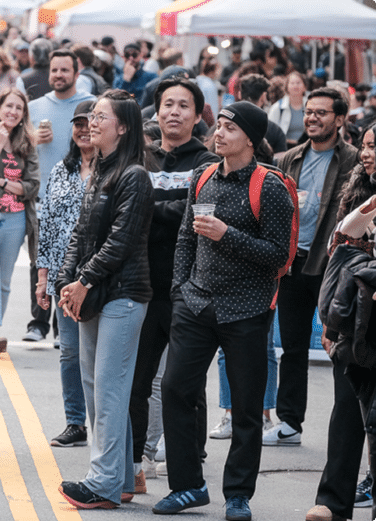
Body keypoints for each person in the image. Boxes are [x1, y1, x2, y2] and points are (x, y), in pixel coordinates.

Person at [154, 101, 294, 520]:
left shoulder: (268, 187)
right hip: (196, 304)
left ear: (249, 139)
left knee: (246, 407)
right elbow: (185, 240)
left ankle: (238, 494)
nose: (219, 133)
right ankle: (187, 487)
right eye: (219, 127)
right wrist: (181, 290)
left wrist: (227, 234)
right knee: (177, 390)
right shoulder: (204, 175)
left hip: (247, 311)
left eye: (230, 128)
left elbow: (278, 255)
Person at [55, 89, 154, 510]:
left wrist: (84, 281)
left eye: (100, 117)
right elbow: (80, 233)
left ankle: (102, 484)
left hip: (124, 295)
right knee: (97, 388)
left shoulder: (134, 175)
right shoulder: (98, 170)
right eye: (90, 116)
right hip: (95, 293)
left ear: (123, 126)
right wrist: (66, 279)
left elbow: (121, 242)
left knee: (109, 391)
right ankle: (122, 476)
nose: (91, 123)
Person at [129, 77, 220, 489]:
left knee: (185, 383)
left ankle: (189, 463)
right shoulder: (141, 159)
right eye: (168, 104)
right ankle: (133, 464)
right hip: (143, 285)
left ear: (198, 114)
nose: (174, 112)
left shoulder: (208, 163)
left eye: (184, 105)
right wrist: (163, 209)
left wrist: (150, 209)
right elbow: (127, 210)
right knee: (137, 378)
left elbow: (196, 217)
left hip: (188, 289)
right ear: (157, 110)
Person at [269, 87, 358, 446]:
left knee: (339, 344)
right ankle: (289, 422)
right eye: (308, 112)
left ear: (339, 120)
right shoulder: (287, 159)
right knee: (291, 347)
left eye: (321, 113)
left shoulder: (352, 160)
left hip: (331, 265)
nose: (312, 118)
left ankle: (347, 425)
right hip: (293, 263)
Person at [305, 123, 374, 521]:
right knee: (346, 408)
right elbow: (341, 242)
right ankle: (333, 502)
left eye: (374, 148)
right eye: (364, 147)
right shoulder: (359, 194)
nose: (366, 155)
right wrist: (330, 326)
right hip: (355, 315)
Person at [35, 99, 95, 449]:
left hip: (99, 276)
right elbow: (48, 227)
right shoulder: (61, 170)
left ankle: (102, 422)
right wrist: (43, 279)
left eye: (90, 122)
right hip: (63, 277)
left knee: (98, 356)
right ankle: (75, 423)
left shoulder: (113, 170)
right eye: (78, 123)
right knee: (69, 351)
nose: (84, 129)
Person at [25, 50, 95, 345]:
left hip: (83, 193)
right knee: (42, 259)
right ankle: (38, 323)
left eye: (64, 70)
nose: (58, 75)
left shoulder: (87, 106)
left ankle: (59, 326)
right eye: (54, 70)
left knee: (71, 258)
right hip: (42, 194)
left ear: (76, 74)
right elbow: (17, 148)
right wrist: (32, 140)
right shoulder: (34, 106)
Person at [0, 88, 38, 357]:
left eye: (19, 108)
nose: (13, 112)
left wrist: (6, 183)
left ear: (24, 115)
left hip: (15, 219)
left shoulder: (27, 144)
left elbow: (33, 186)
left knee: (4, 280)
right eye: (9, 106)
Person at [238, 74, 289, 158]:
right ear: (263, 97)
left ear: (240, 94)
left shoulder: (224, 126)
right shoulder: (274, 130)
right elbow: (281, 159)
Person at [268, 71, 308, 148]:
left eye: (298, 83)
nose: (295, 86)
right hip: (285, 149)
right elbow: (271, 133)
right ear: (287, 87)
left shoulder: (311, 106)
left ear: (304, 87)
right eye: (292, 83)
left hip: (306, 148)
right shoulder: (278, 107)